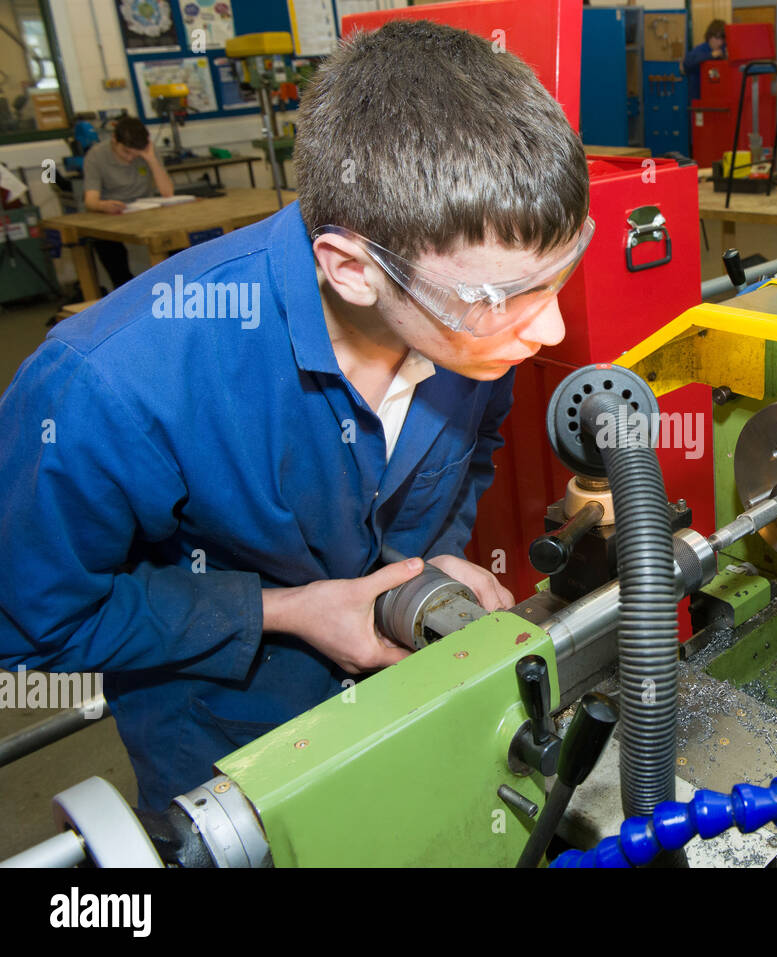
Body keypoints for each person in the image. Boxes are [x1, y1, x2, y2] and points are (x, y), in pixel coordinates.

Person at [0, 20, 591, 811]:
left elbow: (473, 449)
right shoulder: (109, 386)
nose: (548, 330)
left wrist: (427, 568)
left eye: (557, 276)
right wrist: (288, 610)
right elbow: (34, 631)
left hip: (417, 707)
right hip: (236, 750)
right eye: (504, 296)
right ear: (351, 269)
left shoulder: (470, 336)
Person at [81, 115, 175, 290]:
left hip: (146, 212)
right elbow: (90, 201)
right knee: (106, 246)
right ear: (114, 140)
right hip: (114, 216)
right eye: (126, 152)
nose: (131, 158)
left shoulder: (145, 152)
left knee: (175, 240)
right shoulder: (96, 156)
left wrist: (151, 159)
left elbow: (167, 192)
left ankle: (172, 287)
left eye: (135, 154)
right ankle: (124, 290)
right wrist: (103, 205)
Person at [682, 18, 728, 101]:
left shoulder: (724, 49)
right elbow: (686, 64)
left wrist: (726, 56)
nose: (720, 43)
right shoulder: (699, 50)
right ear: (709, 36)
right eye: (717, 38)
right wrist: (710, 55)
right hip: (699, 99)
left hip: (718, 98)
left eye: (722, 39)